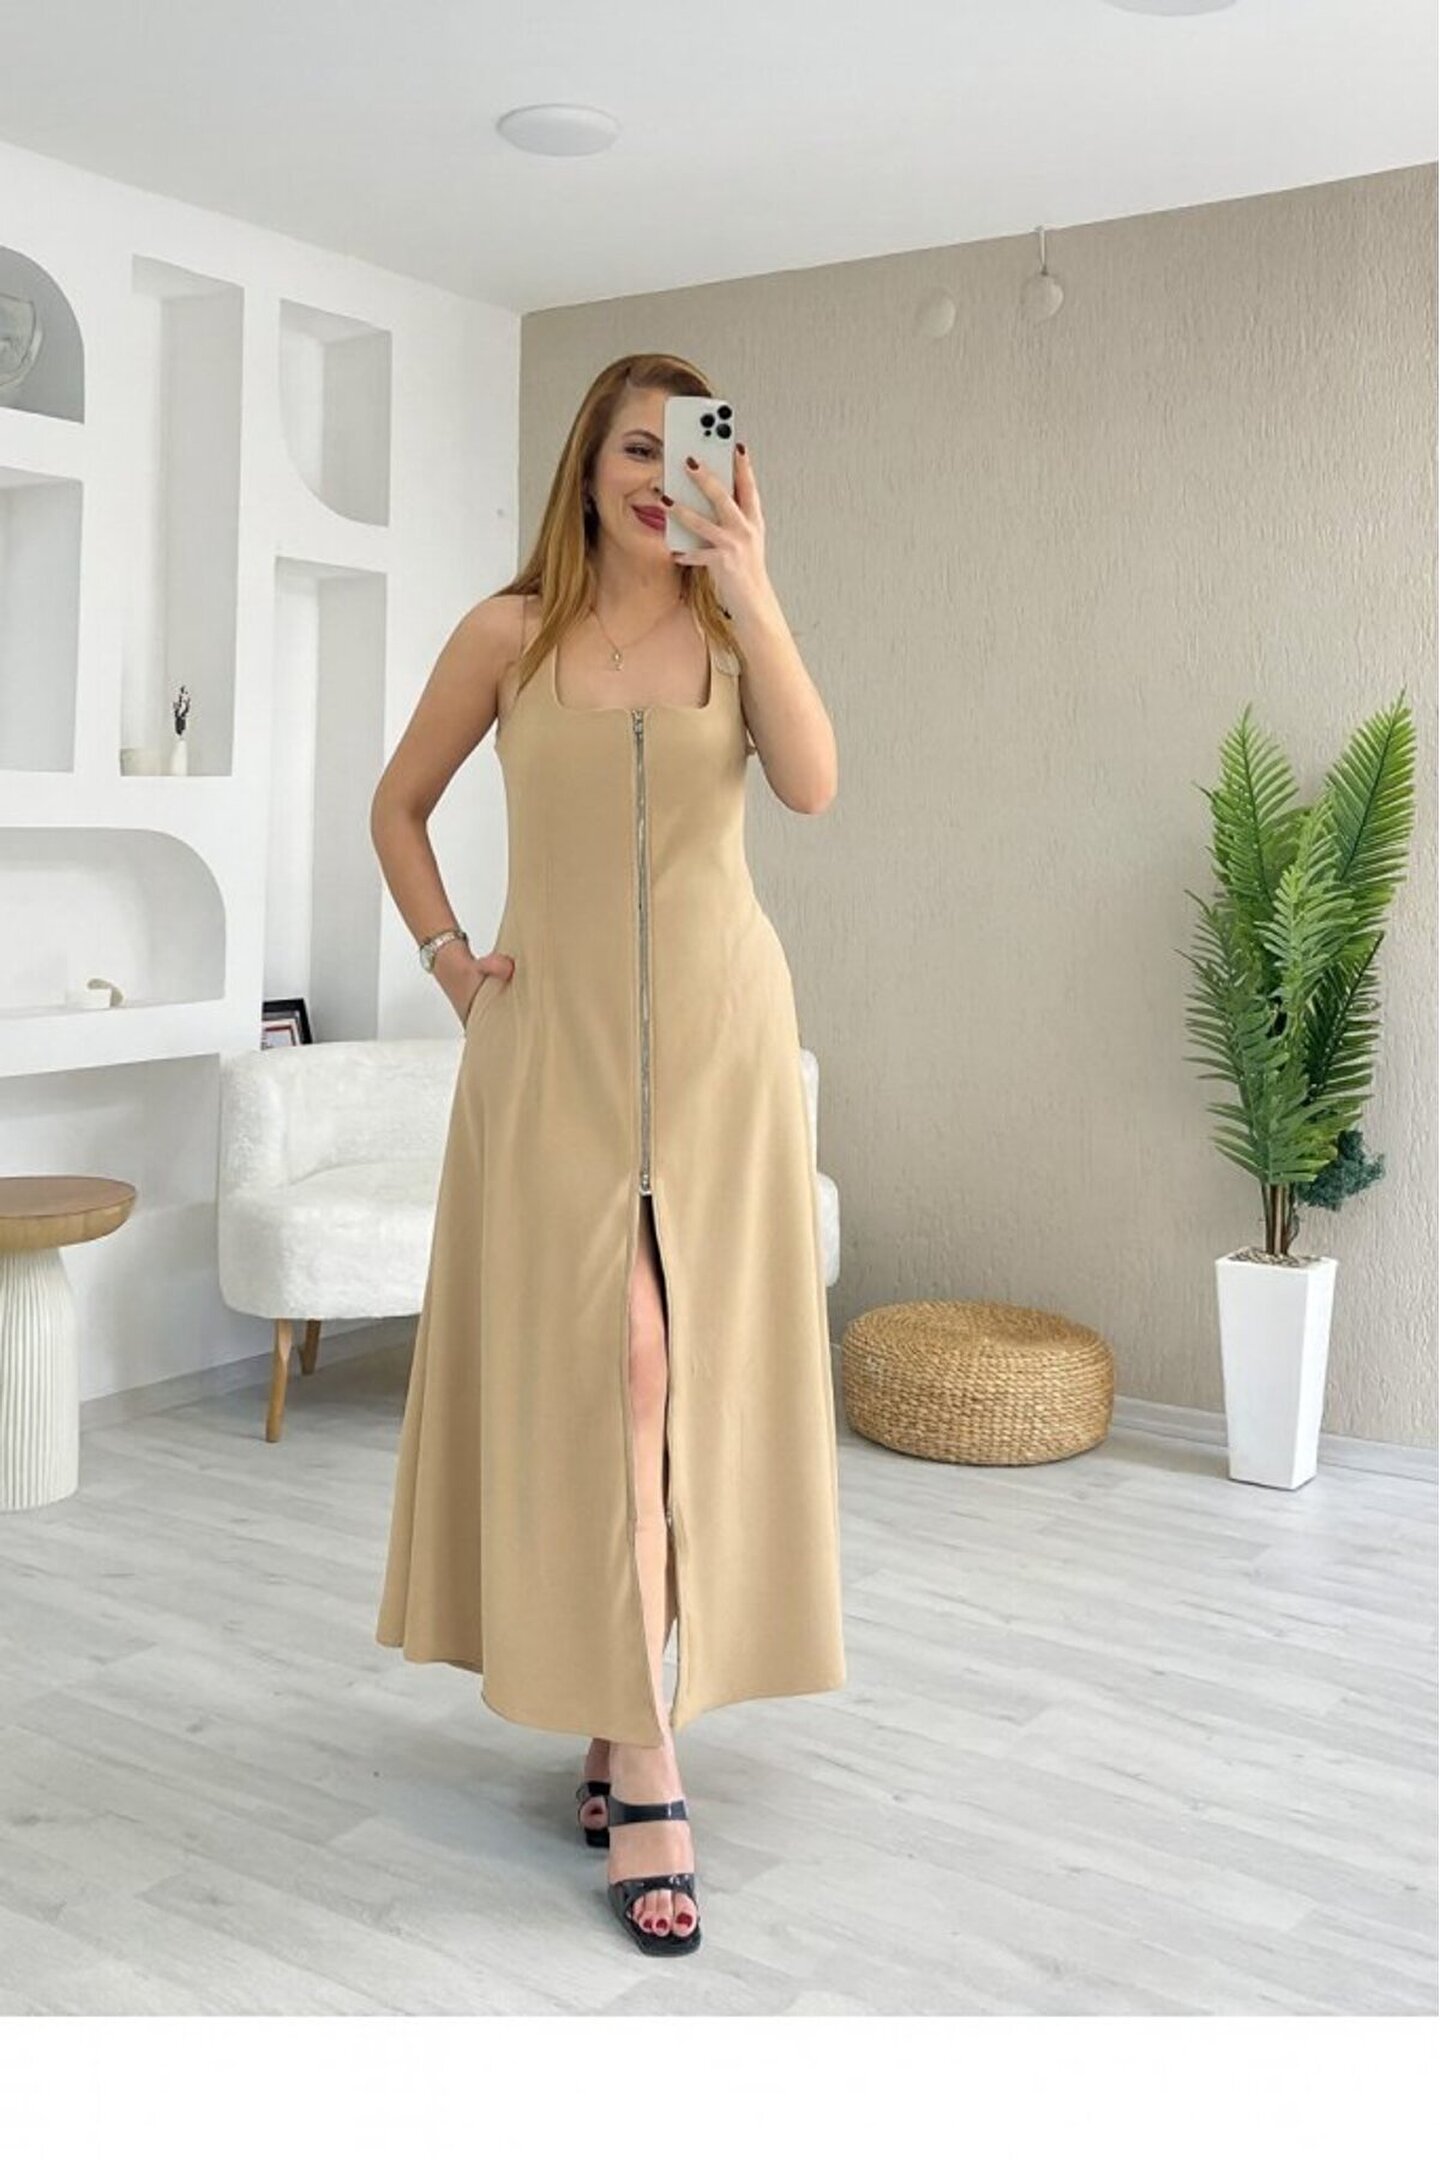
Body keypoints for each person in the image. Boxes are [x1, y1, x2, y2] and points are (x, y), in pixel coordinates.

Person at [371, 354, 846, 1957]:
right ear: (584, 467)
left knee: (666, 1380)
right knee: (617, 1375)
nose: (662, 476)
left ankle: (624, 1724)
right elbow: (397, 809)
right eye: (636, 448)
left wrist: (756, 585)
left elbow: (814, 785)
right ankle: (641, 1743)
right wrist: (453, 967)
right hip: (554, 1060)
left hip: (719, 1058)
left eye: (692, 449)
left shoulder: (735, 633)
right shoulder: (504, 637)